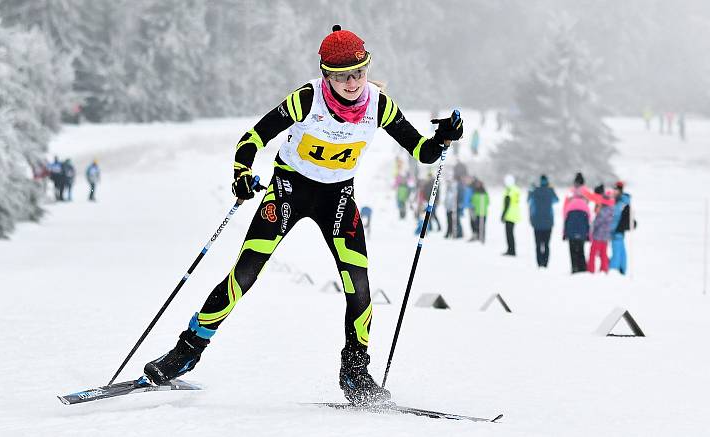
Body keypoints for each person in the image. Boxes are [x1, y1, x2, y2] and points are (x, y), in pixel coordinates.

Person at [143, 25, 464, 406]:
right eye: (344, 76)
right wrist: (242, 175)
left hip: (338, 197)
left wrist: (444, 137)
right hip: (290, 188)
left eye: (359, 73)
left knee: (359, 286)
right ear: (327, 74)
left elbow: (422, 152)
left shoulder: (379, 105)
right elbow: (252, 139)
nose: (353, 83)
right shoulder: (306, 99)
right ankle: (186, 352)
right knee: (244, 274)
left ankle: (356, 373)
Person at [528, 174, 558, 268]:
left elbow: (529, 200)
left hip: (537, 222)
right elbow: (556, 200)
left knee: (538, 244)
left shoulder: (535, 191)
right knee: (546, 244)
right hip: (548, 222)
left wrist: (531, 190)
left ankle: (539, 262)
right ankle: (545, 263)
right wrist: (551, 189)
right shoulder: (550, 191)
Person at [563, 172, 590, 273]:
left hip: (571, 224)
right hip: (582, 224)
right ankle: (582, 269)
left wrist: (565, 232)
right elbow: (589, 215)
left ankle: (574, 268)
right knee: (581, 249)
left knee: (572, 249)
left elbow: (564, 212)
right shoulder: (586, 192)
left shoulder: (570, 192)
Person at [587, 185, 613, 273]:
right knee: (603, 254)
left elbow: (597, 222)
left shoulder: (603, 209)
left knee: (593, 253)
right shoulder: (610, 207)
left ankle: (591, 270)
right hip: (606, 235)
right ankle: (604, 269)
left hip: (598, 235)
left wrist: (592, 227)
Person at [610, 181, 633, 275]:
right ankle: (622, 269)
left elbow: (616, 217)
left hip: (617, 230)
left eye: (616, 190)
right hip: (619, 230)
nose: (614, 192)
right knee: (621, 250)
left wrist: (612, 228)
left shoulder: (620, 202)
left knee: (617, 251)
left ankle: (613, 270)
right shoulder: (622, 201)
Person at [501, 174, 520, 256]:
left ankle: (511, 250)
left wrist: (503, 215)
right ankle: (511, 250)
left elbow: (507, 203)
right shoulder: (516, 189)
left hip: (509, 215)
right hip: (515, 214)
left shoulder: (509, 190)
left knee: (509, 234)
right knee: (511, 233)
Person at [470, 178, 488, 243]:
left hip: (483, 212)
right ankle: (478, 236)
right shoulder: (475, 192)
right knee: (477, 225)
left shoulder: (484, 193)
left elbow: (487, 202)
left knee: (482, 225)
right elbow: (473, 201)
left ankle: (482, 237)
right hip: (477, 211)